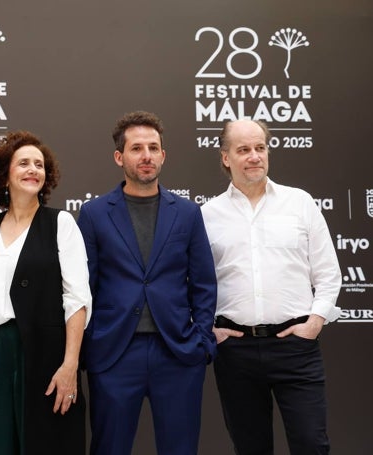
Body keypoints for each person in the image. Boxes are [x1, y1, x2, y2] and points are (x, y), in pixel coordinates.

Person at [77, 111, 217, 455]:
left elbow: (203, 284)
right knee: (109, 448)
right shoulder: (94, 213)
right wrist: (92, 343)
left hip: (178, 353)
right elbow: (84, 286)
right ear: (119, 156)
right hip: (114, 354)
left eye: (153, 148)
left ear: (163, 155)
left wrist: (201, 342)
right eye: (137, 148)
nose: (146, 156)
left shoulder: (187, 213)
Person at [201, 119, 341, 455]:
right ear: (225, 157)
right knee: (251, 448)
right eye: (244, 149)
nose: (254, 156)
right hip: (235, 352)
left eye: (260, 148)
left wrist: (315, 321)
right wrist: (211, 328)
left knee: (312, 444)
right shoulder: (207, 214)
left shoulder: (300, 203)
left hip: (296, 348)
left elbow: (328, 273)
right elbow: (194, 283)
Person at [0, 130, 92, 455]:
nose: (33, 169)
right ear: (5, 173)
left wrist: (70, 365)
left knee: (45, 443)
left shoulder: (60, 224)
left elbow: (77, 301)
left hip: (46, 357)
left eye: (39, 164)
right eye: (24, 163)